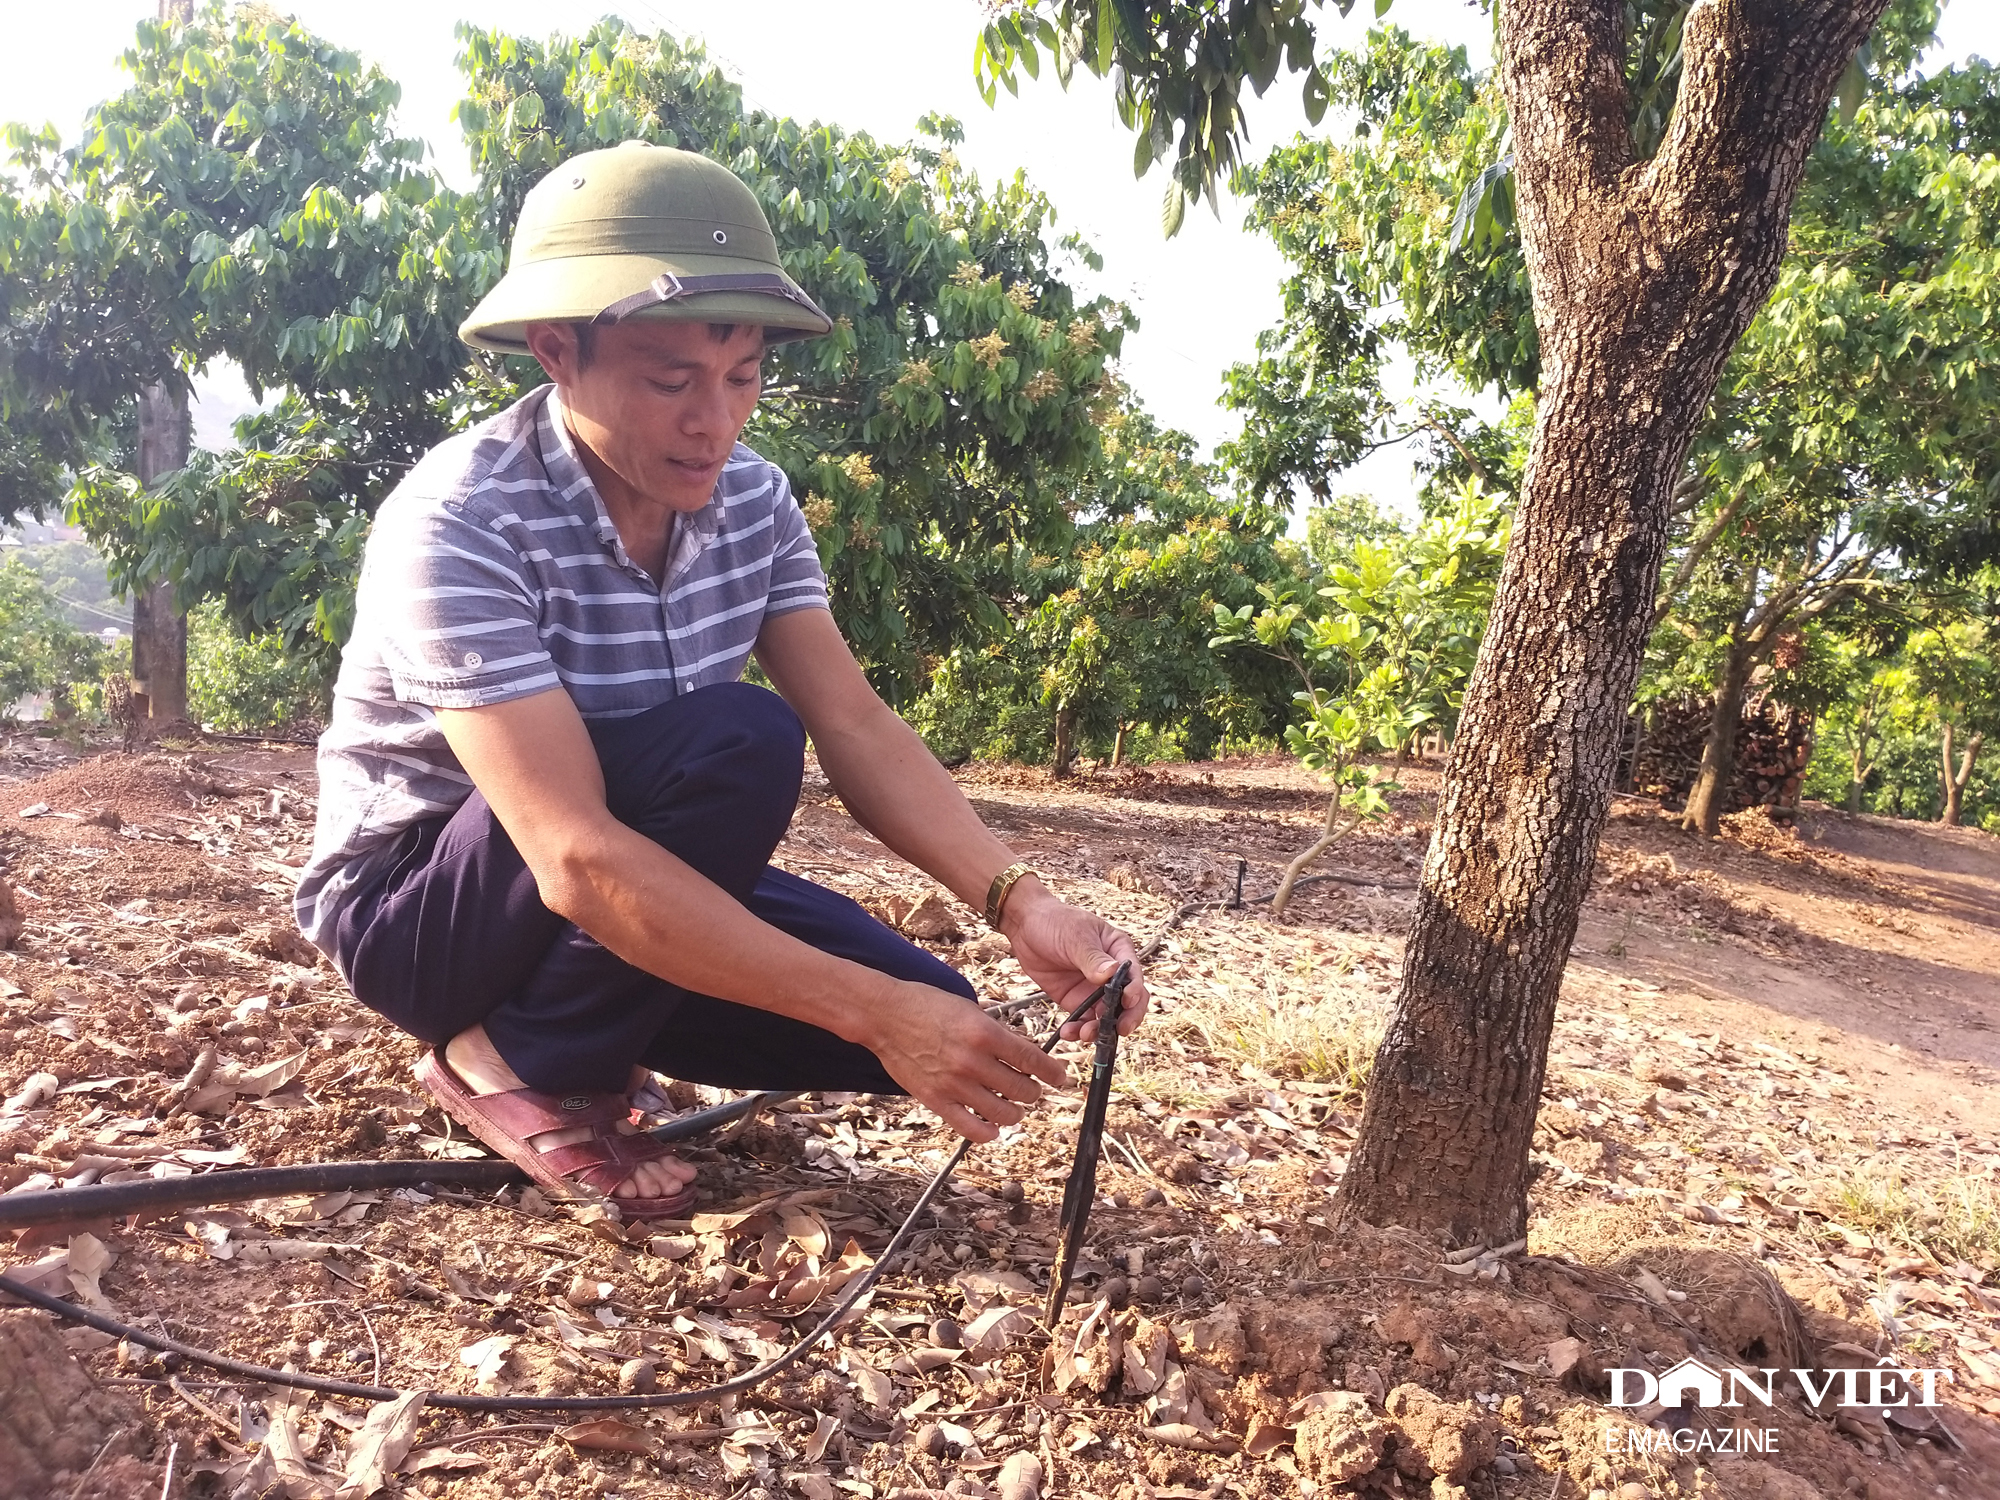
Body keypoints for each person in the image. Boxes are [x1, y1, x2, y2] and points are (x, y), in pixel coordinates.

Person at [296, 143, 1149, 1218]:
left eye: (741, 376)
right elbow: (568, 852)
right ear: (559, 352)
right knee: (738, 744)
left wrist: (1018, 905)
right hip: (423, 907)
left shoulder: (751, 500)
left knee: (935, 1003)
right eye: (671, 382)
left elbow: (852, 719)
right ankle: (509, 1059)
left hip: (607, 874)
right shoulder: (462, 519)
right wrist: (865, 1008)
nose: (717, 420)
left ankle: (583, 1027)